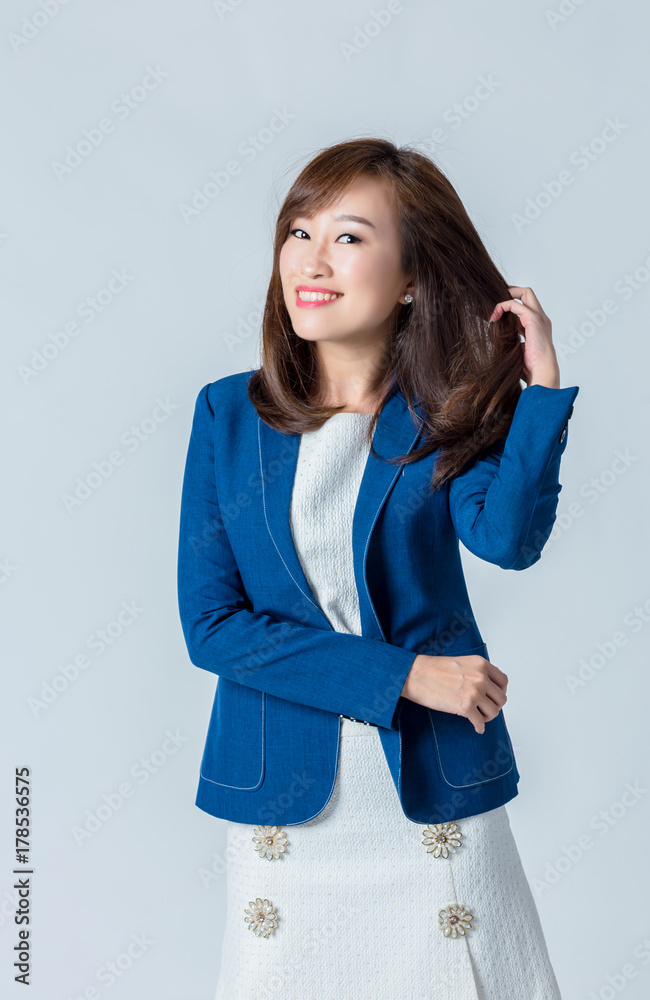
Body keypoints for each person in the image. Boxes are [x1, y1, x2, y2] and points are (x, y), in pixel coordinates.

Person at [177, 137, 579, 998]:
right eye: (298, 231)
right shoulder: (226, 415)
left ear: (409, 278)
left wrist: (538, 390)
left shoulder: (444, 414)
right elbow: (213, 628)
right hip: (285, 794)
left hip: (428, 794)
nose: (310, 261)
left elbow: (507, 542)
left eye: (348, 237)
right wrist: (405, 677)